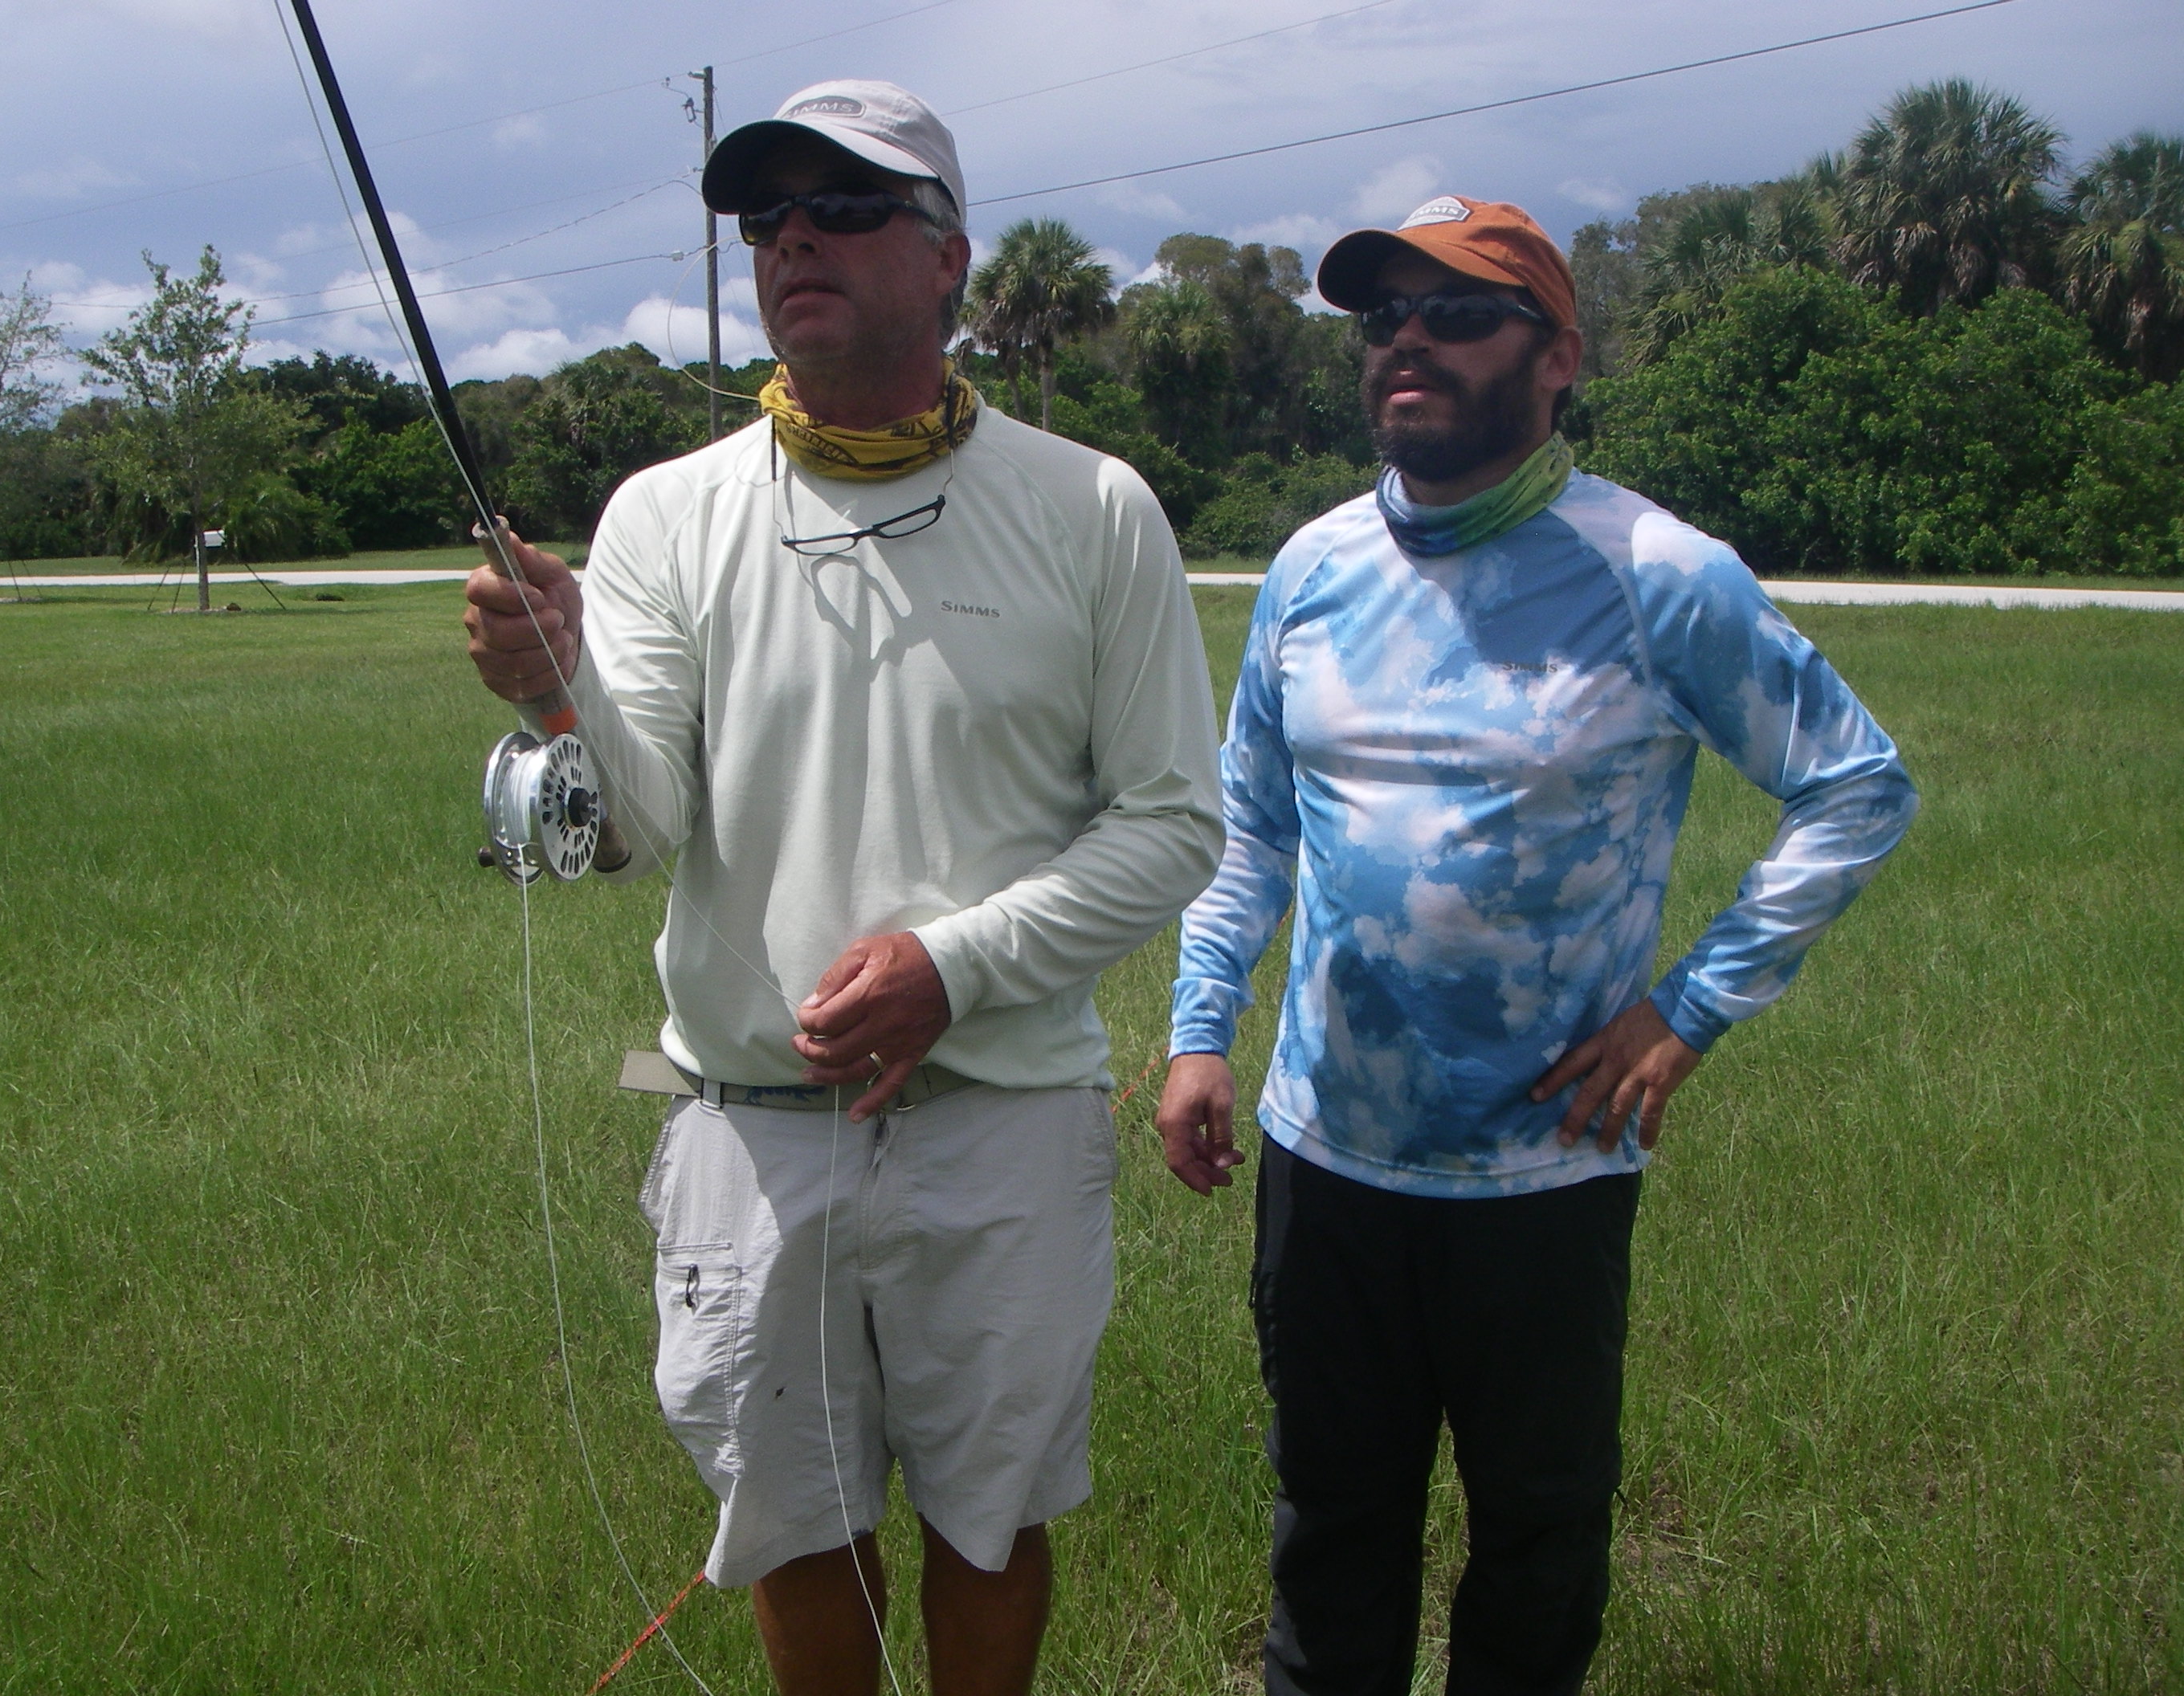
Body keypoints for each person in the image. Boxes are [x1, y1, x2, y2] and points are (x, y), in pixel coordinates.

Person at [463, 80, 1222, 1696]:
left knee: (991, 1519)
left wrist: (955, 966)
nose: (794, 240)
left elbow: (1174, 825)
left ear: (950, 260)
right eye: (766, 221)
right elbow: (634, 825)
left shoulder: (1095, 511)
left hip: (1002, 1115)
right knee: (794, 1525)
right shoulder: (664, 517)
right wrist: (561, 693)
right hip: (749, 1127)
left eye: (845, 209)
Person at [1153, 194, 1918, 1696]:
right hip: (1329, 1161)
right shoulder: (1307, 571)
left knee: (1539, 1545)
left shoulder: (1656, 573)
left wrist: (1688, 1012)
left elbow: (1855, 784)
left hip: (1543, 1175)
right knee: (1328, 1536)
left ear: (1558, 357)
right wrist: (1198, 1028)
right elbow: (1253, 827)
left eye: (1459, 311)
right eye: (1386, 318)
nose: (1410, 342)